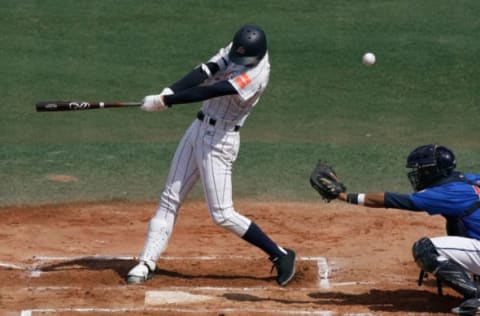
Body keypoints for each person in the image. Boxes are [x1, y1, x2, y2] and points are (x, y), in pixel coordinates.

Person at [127, 25, 296, 287]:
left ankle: (280, 254)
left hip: (220, 141)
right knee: (170, 198)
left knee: (222, 213)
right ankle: (147, 261)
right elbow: (206, 71)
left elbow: (212, 90)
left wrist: (167, 102)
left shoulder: (257, 75)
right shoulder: (238, 48)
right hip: (198, 129)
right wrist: (169, 91)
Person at [312, 144, 480, 314]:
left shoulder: (448, 192)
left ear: (432, 171)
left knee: (426, 249)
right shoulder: (470, 179)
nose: (417, 175)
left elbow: (390, 200)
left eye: (420, 171)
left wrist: (344, 196)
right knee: (456, 221)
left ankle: (477, 296)